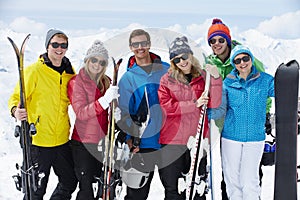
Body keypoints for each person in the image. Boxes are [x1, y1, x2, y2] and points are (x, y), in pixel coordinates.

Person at [205, 18, 272, 199]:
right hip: (228, 130)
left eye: (221, 39)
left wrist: (265, 114)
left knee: (250, 178)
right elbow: (218, 103)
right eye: (213, 40)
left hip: (253, 132)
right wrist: (204, 109)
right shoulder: (214, 67)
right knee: (230, 177)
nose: (217, 44)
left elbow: (269, 90)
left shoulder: (258, 72)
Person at [8, 29, 77, 199]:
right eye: (55, 44)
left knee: (69, 181)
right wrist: (15, 111)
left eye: (63, 45)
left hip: (61, 138)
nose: (59, 49)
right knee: (35, 188)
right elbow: (16, 97)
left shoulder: (70, 73)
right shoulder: (35, 71)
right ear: (47, 46)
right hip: (37, 140)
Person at [157, 36, 223, 200]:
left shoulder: (203, 77)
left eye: (184, 56)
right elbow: (166, 107)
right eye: (176, 59)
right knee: (173, 189)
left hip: (197, 139)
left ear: (191, 55)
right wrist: (194, 104)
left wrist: (215, 79)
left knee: (197, 187)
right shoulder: (167, 80)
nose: (182, 61)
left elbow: (214, 103)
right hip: (172, 142)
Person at [117, 29, 169, 200]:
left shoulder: (167, 70)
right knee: (136, 194)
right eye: (136, 44)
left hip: (167, 141)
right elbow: (124, 111)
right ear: (131, 47)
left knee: (175, 192)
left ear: (149, 44)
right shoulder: (128, 78)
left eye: (144, 43)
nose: (140, 47)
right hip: (142, 144)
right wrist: (129, 139)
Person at [67, 40, 119, 199]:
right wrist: (104, 101)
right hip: (82, 144)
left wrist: (117, 114)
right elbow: (81, 112)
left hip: (102, 143)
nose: (97, 65)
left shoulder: (107, 82)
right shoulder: (76, 82)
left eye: (102, 62)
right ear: (87, 60)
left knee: (102, 186)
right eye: (94, 60)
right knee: (86, 187)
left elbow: (110, 109)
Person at [221, 45, 274, 200]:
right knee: (232, 181)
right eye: (237, 60)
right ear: (234, 64)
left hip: (254, 138)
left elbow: (284, 91)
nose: (242, 63)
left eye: (245, 58)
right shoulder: (227, 83)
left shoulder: (265, 80)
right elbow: (219, 108)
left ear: (251, 59)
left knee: (250, 180)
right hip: (231, 137)